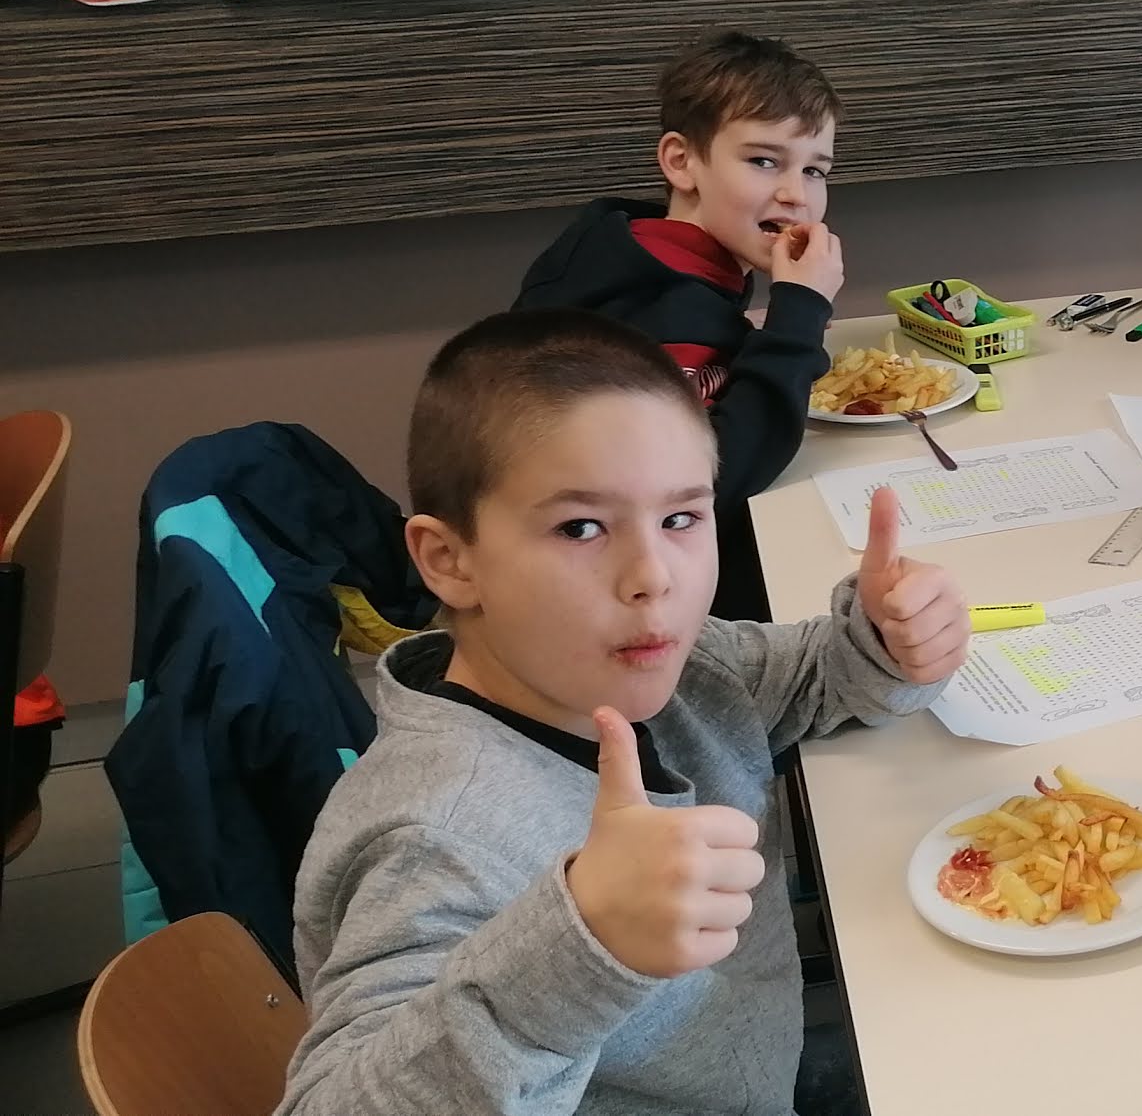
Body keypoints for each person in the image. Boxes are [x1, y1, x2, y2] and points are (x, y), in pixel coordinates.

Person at [279, 309, 967, 1115]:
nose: (653, 576)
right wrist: (580, 944)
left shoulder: (663, 667)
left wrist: (890, 641)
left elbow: (813, 677)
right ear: (449, 560)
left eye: (680, 518)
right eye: (581, 527)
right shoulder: (439, 840)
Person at [518, 30, 847, 621]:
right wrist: (799, 312)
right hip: (636, 605)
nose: (796, 194)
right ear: (681, 161)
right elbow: (714, 477)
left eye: (816, 171)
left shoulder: (640, 249)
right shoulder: (661, 307)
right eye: (764, 161)